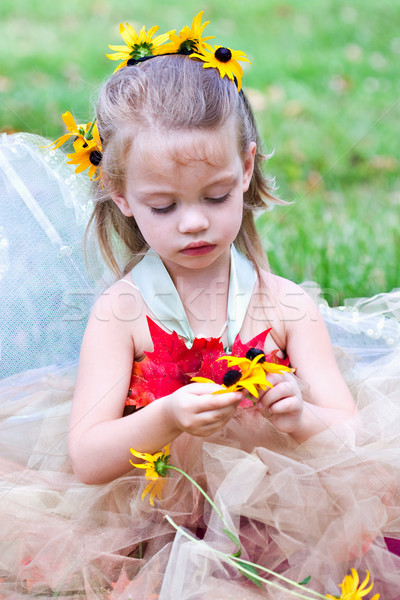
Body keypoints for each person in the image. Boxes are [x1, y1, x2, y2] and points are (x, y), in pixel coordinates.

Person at [1, 12, 400, 600]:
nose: (193, 222)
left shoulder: (284, 305)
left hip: (284, 520)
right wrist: (165, 419)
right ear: (122, 196)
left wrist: (297, 415)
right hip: (153, 521)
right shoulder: (123, 312)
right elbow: (87, 456)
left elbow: (351, 435)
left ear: (244, 170)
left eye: (214, 196)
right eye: (163, 206)